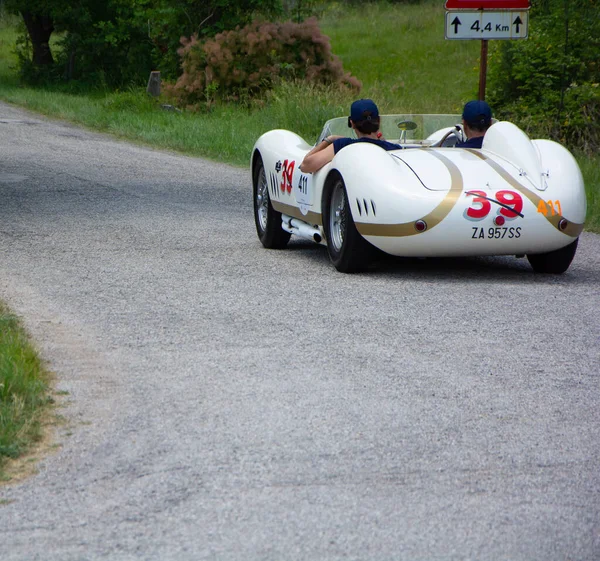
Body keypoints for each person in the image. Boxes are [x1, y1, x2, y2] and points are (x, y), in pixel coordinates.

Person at [299, 99, 400, 173]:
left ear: (352, 123)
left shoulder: (343, 145)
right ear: (379, 121)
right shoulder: (395, 149)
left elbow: (305, 165)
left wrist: (329, 140)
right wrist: (384, 142)